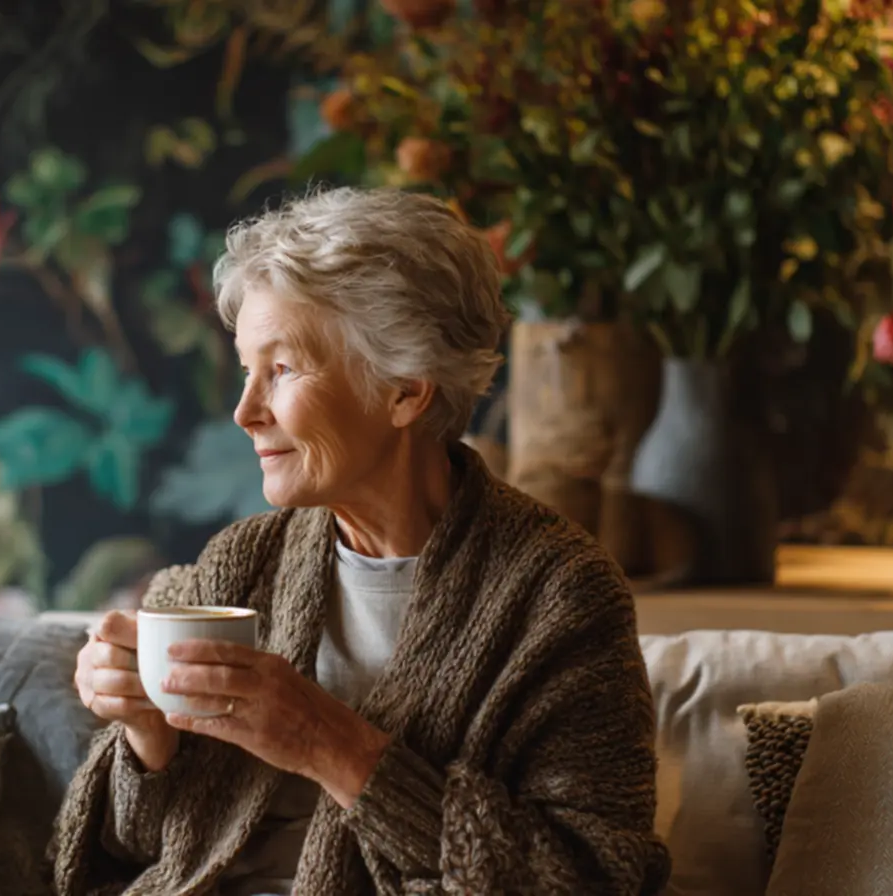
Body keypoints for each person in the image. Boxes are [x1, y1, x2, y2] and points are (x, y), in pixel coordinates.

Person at [49, 187, 671, 895]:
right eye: (247, 371)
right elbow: (136, 847)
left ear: (406, 389)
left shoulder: (561, 596)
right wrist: (146, 738)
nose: (245, 411)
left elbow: (591, 878)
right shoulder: (242, 563)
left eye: (281, 370)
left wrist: (333, 746)